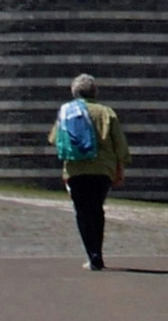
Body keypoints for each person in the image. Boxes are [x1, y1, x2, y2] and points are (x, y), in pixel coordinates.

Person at [49, 73, 130, 271]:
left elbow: (55, 139)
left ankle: (92, 255)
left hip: (76, 169)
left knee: (82, 212)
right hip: (102, 170)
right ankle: (98, 253)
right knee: (96, 209)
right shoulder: (106, 112)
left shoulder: (67, 112)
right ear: (95, 92)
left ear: (74, 92)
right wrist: (120, 168)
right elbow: (120, 144)